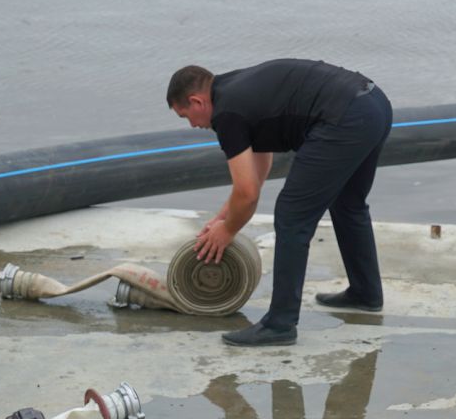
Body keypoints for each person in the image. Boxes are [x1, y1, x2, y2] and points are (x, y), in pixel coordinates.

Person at [166, 59, 393, 346]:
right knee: (349, 203)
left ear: (197, 101)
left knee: (292, 215)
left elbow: (247, 193)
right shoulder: (234, 89)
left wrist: (227, 231)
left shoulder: (227, 114)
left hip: (344, 117)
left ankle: (280, 324)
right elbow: (258, 170)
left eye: (186, 116)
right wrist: (224, 218)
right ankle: (366, 293)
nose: (192, 125)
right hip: (374, 104)